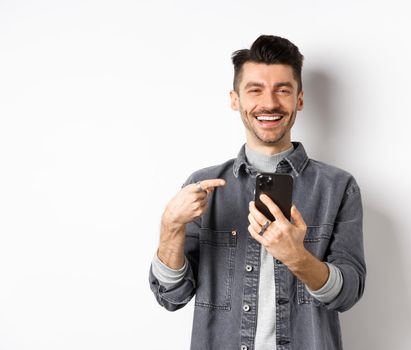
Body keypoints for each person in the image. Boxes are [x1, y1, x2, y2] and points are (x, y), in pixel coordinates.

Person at [149, 34, 366, 350]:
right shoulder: (203, 186)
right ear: (235, 99)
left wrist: (297, 257)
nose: (269, 103)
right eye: (255, 90)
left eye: (282, 90)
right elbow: (172, 296)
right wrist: (170, 228)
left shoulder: (337, 187)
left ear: (299, 99)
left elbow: (348, 293)